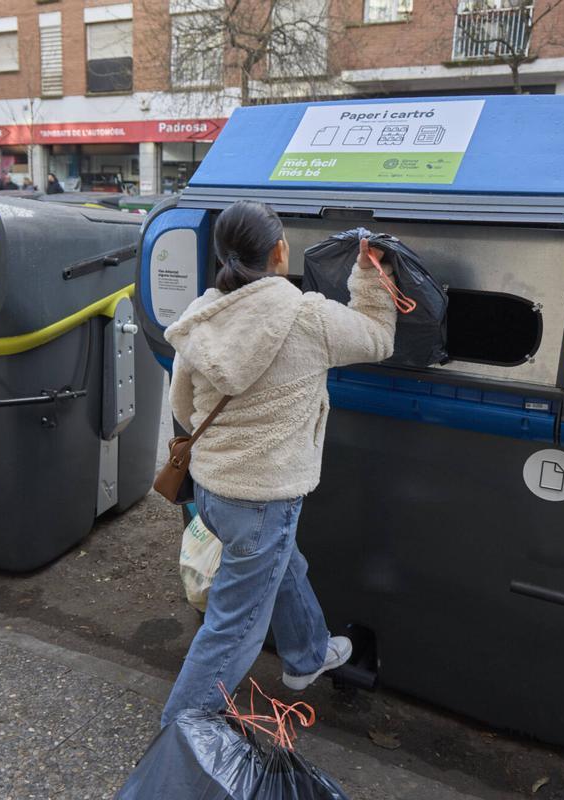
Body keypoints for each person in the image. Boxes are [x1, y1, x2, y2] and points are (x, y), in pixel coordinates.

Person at [159, 200, 397, 727]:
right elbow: (379, 338)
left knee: (282, 565)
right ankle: (177, 743)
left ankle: (308, 656)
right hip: (265, 496)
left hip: (213, 490)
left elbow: (182, 406)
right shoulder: (308, 317)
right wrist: (368, 274)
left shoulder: (202, 317)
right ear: (280, 250)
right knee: (232, 630)